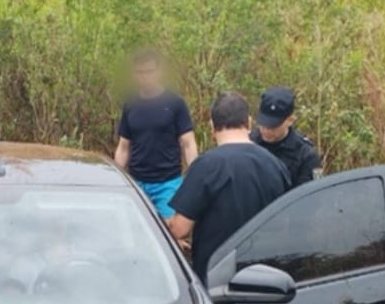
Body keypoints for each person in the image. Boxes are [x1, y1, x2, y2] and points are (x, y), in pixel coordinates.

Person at [167, 92, 290, 282]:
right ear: (248, 123)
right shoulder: (276, 165)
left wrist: (160, 223)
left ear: (211, 126)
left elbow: (179, 228)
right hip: (267, 279)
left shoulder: (205, 166)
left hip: (216, 280)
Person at [114, 50, 198, 218]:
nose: (145, 77)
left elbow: (188, 143)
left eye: (149, 71)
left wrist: (195, 175)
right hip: (136, 183)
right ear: (134, 74)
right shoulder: (130, 105)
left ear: (159, 72)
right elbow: (124, 147)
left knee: (170, 233)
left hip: (167, 184)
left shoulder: (175, 103)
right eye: (140, 72)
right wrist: (117, 177)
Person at [250, 87, 321, 188]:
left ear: (290, 120)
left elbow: (310, 196)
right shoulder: (248, 143)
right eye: (263, 124)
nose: (266, 130)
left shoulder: (305, 155)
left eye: (273, 126)